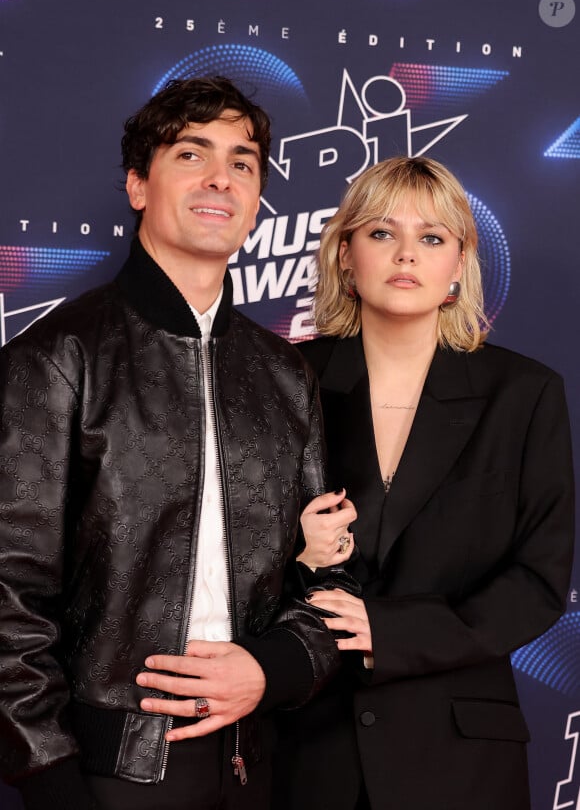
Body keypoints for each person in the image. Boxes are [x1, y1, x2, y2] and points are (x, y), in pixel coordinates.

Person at [0, 76, 343, 810]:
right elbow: (7, 591)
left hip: (255, 764)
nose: (222, 176)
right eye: (192, 153)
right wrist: (49, 778)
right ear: (136, 184)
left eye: (243, 162)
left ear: (256, 198)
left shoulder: (286, 375)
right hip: (104, 776)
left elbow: (327, 574)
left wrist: (273, 666)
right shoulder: (58, 357)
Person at [273, 156, 575, 810]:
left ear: (459, 263)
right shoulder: (284, 381)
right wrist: (296, 558)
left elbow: (540, 579)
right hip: (307, 747)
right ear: (345, 254)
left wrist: (393, 632)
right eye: (382, 234)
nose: (406, 255)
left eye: (432, 238)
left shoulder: (524, 394)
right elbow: (222, 561)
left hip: (462, 754)